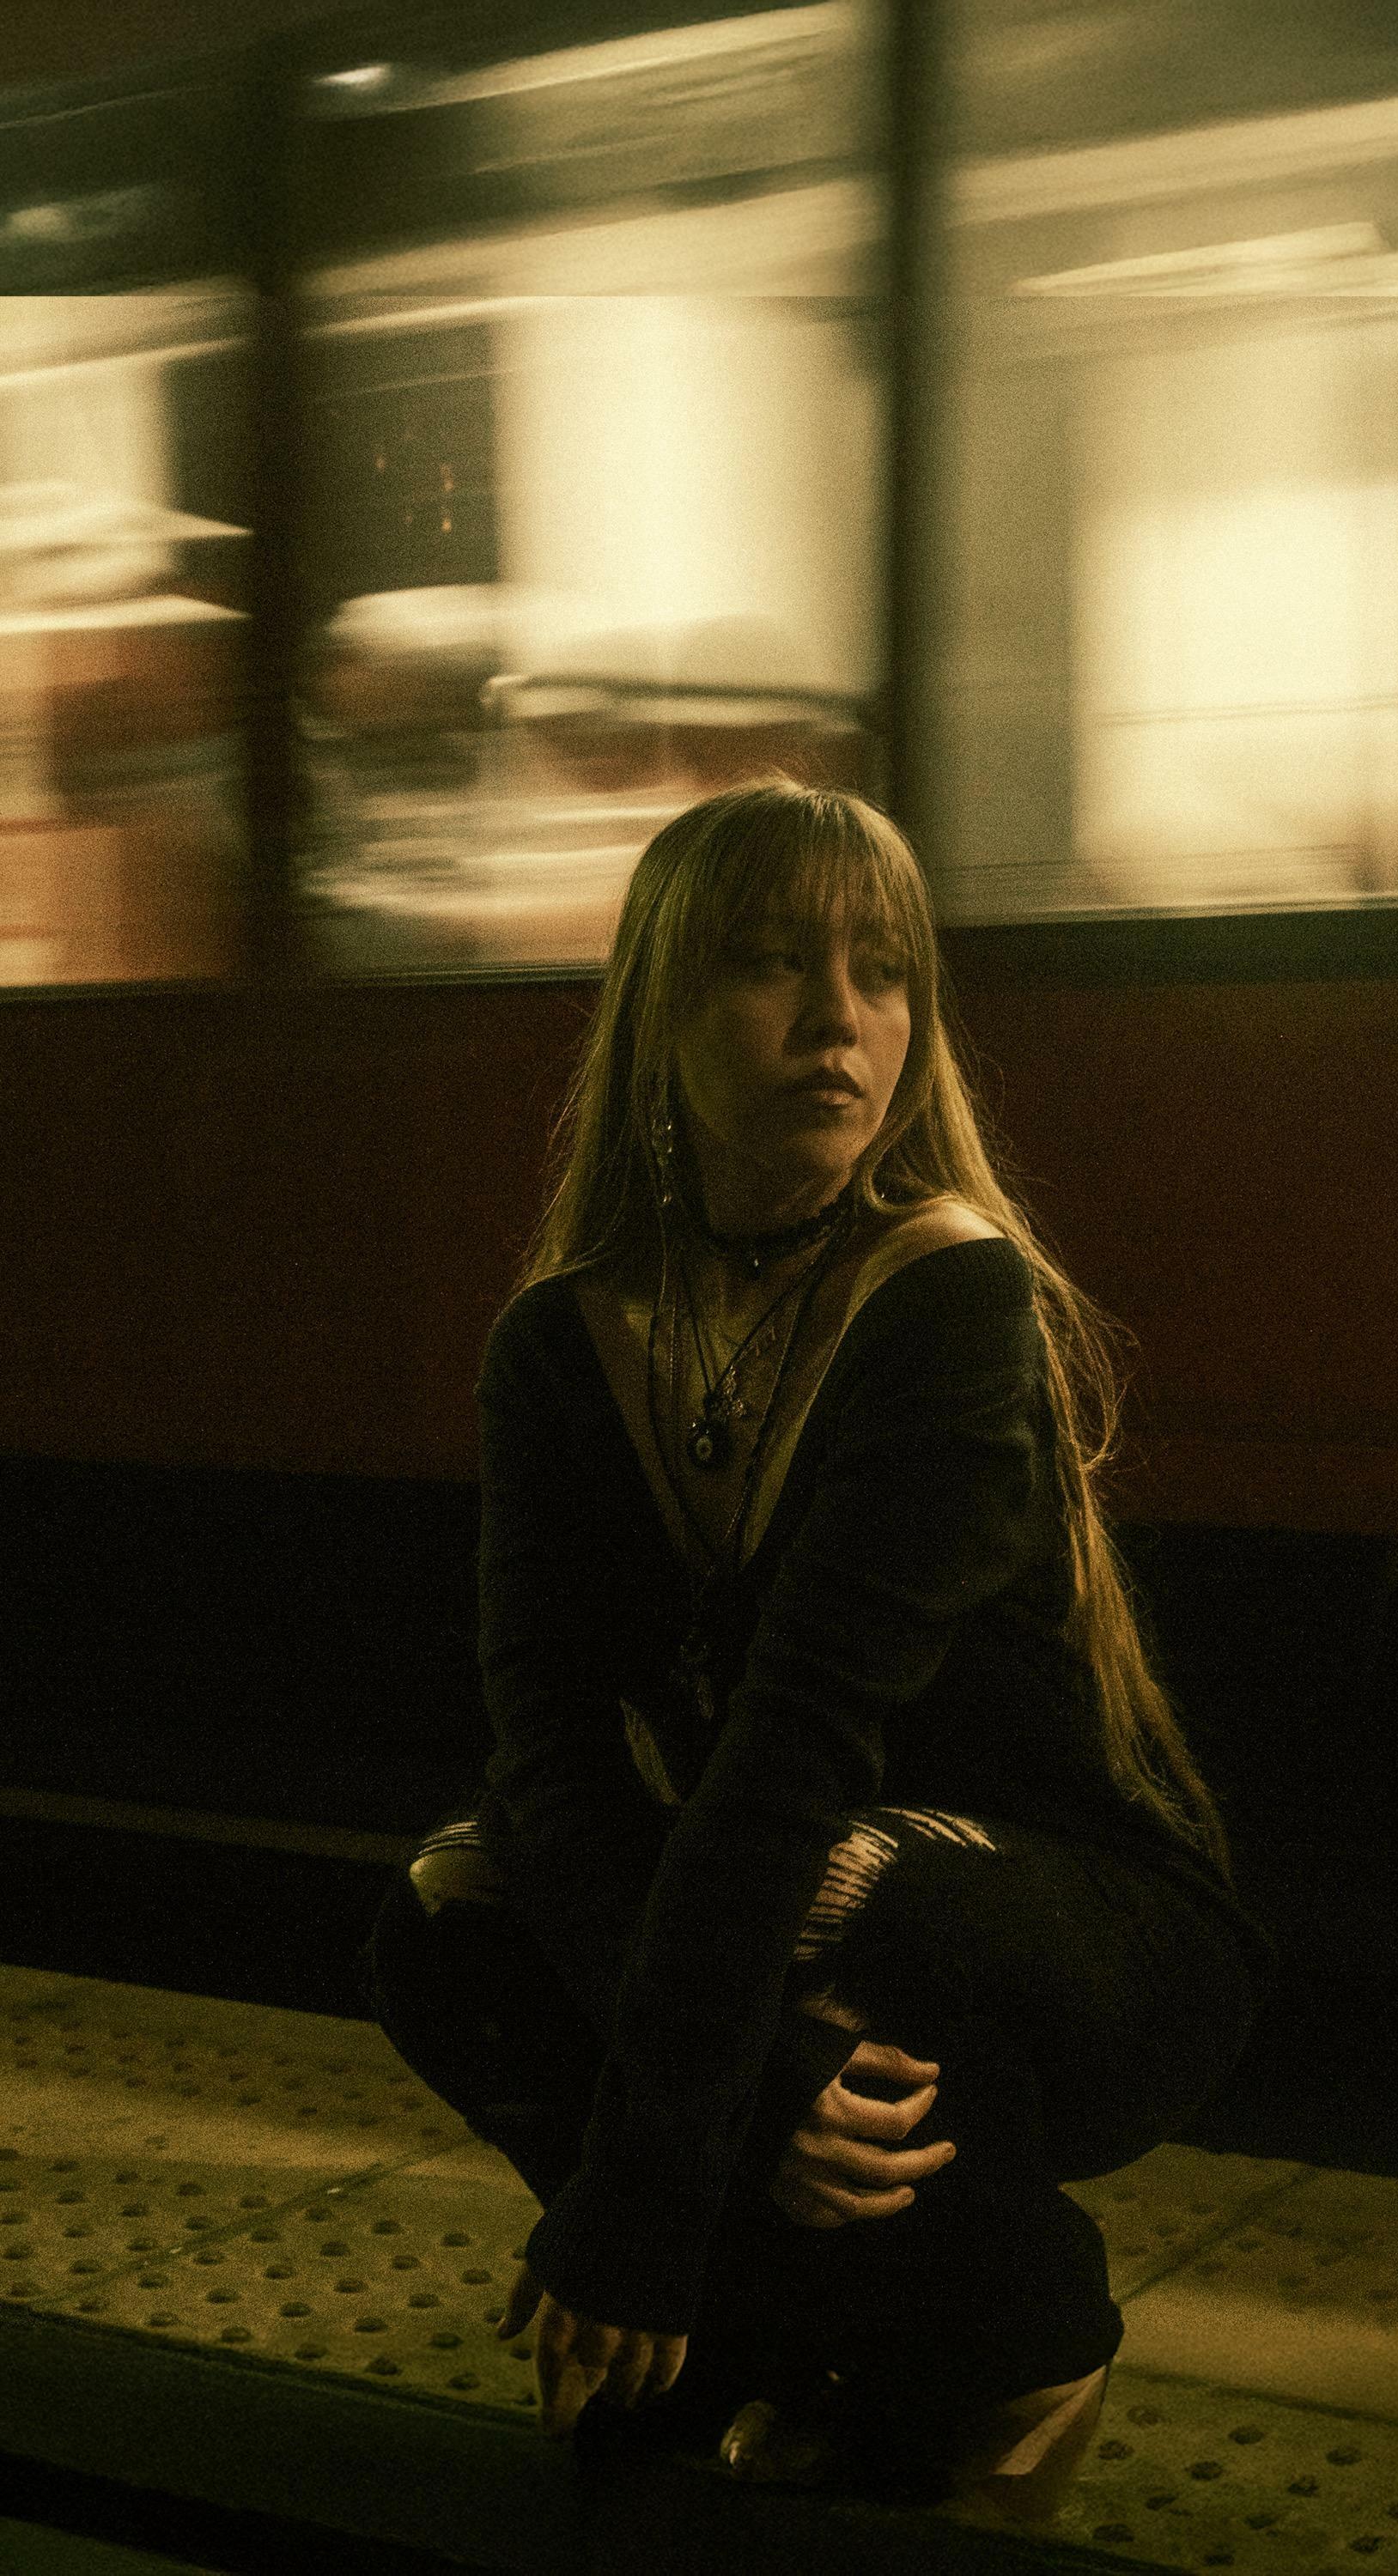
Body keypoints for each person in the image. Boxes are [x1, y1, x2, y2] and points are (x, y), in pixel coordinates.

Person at [362, 780, 1270, 2512]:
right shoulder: (560, 1345)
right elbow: (550, 1753)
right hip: (792, 1895)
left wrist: (637, 2204)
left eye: (884, 971)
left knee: (827, 1881)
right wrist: (751, 2092)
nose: (839, 1020)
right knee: (449, 1902)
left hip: (1062, 1913)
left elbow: (794, 1747)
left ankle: (1023, 2336)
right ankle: (788, 2336)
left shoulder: (946, 1295)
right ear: (663, 1009)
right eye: (772, 964)